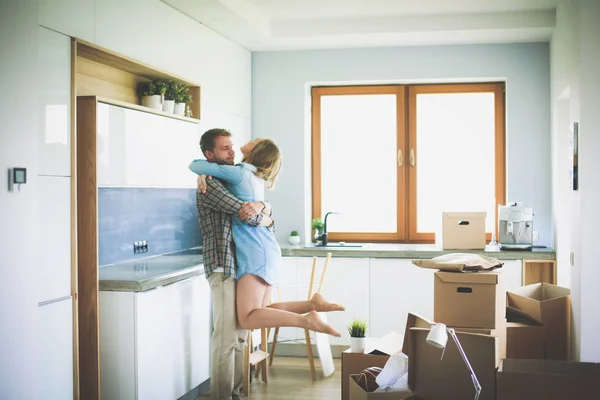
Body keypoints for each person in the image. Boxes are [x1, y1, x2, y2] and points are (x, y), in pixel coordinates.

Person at [190, 136, 345, 339]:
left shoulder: (239, 173)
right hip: (267, 249)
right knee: (262, 310)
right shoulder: (256, 179)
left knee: (247, 319)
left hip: (253, 252)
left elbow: (194, 165)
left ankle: (306, 320)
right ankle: (312, 304)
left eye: (255, 140)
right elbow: (263, 210)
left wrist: (201, 173)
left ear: (257, 151)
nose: (249, 139)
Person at [195, 128, 272, 400]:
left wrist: (264, 205)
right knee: (226, 338)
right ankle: (222, 396)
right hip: (222, 266)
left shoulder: (226, 178)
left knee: (240, 336)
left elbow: (253, 204)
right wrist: (267, 215)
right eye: (225, 148)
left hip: (238, 268)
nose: (232, 151)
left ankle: (236, 392)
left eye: (231, 146)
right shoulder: (211, 185)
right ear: (209, 154)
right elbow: (245, 211)